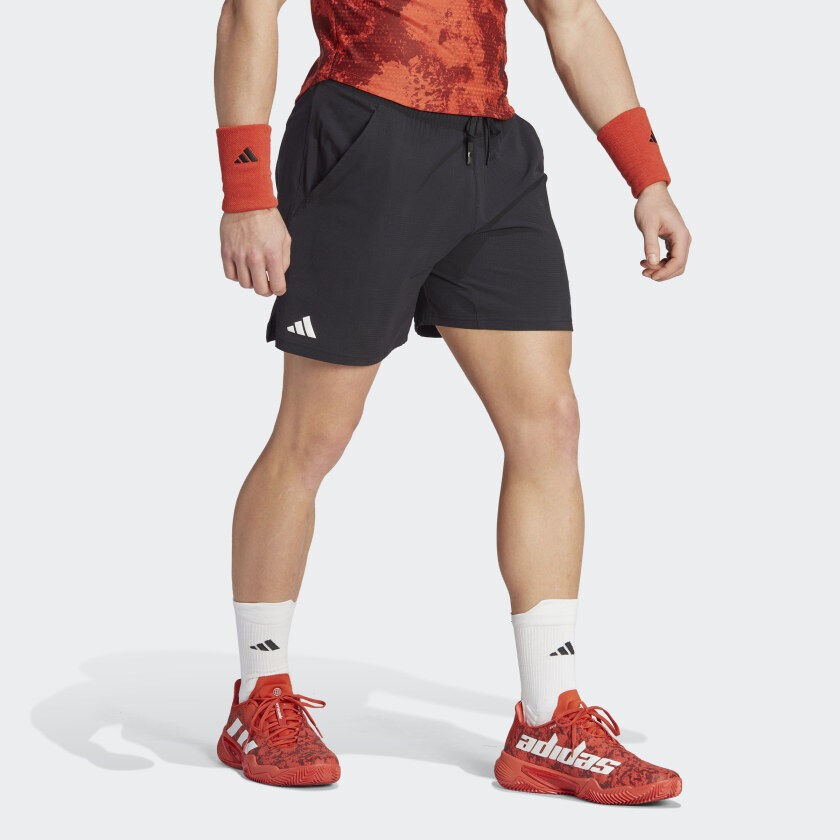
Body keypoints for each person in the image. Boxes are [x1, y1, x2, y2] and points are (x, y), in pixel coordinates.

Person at [213, 0, 690, 804]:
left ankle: (548, 719)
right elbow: (247, 12)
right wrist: (246, 190)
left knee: (550, 424)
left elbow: (572, 17)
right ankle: (259, 696)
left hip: (493, 153)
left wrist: (650, 178)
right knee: (314, 435)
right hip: (363, 132)